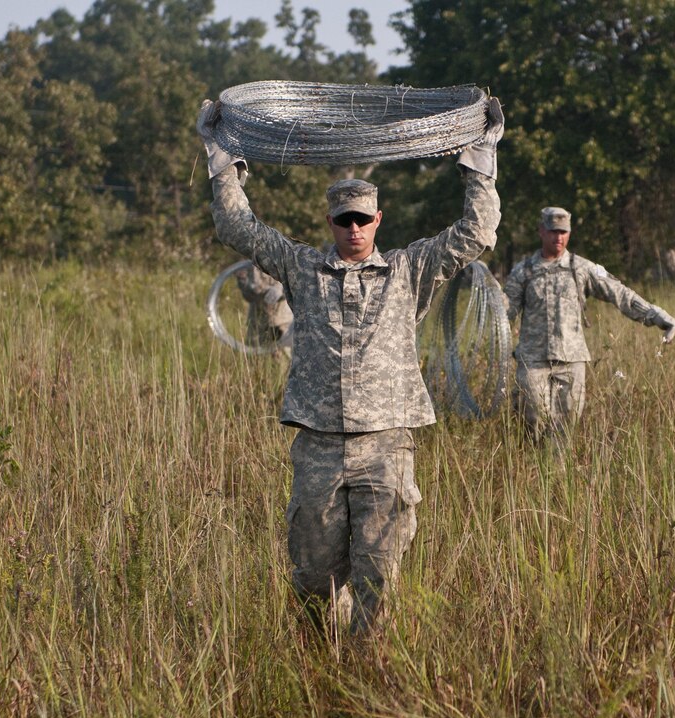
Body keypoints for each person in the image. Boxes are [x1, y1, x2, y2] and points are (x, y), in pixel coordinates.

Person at [197, 95, 503, 637]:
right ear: (331, 221)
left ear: (378, 219)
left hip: (386, 446)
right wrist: (222, 156)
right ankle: (322, 662)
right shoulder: (302, 267)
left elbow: (475, 234)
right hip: (318, 446)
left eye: (363, 218)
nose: (354, 228)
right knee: (314, 581)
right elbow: (238, 227)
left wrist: (480, 158)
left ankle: (365, 674)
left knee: (378, 579)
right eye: (344, 219)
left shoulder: (410, 270)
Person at [503, 206, 675, 440]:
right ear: (541, 231)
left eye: (564, 232)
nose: (559, 237)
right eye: (553, 231)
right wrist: (488, 301)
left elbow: (620, 293)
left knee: (566, 424)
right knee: (531, 415)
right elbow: (505, 313)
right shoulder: (523, 271)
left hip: (572, 359)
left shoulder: (582, 268)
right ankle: (529, 466)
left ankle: (555, 473)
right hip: (533, 359)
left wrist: (656, 315)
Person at [234, 263, 293, 355]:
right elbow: (248, 296)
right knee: (254, 360)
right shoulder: (251, 262)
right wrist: (244, 283)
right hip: (257, 324)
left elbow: (298, 285)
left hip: (282, 323)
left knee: (282, 362)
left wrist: (281, 290)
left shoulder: (286, 257)